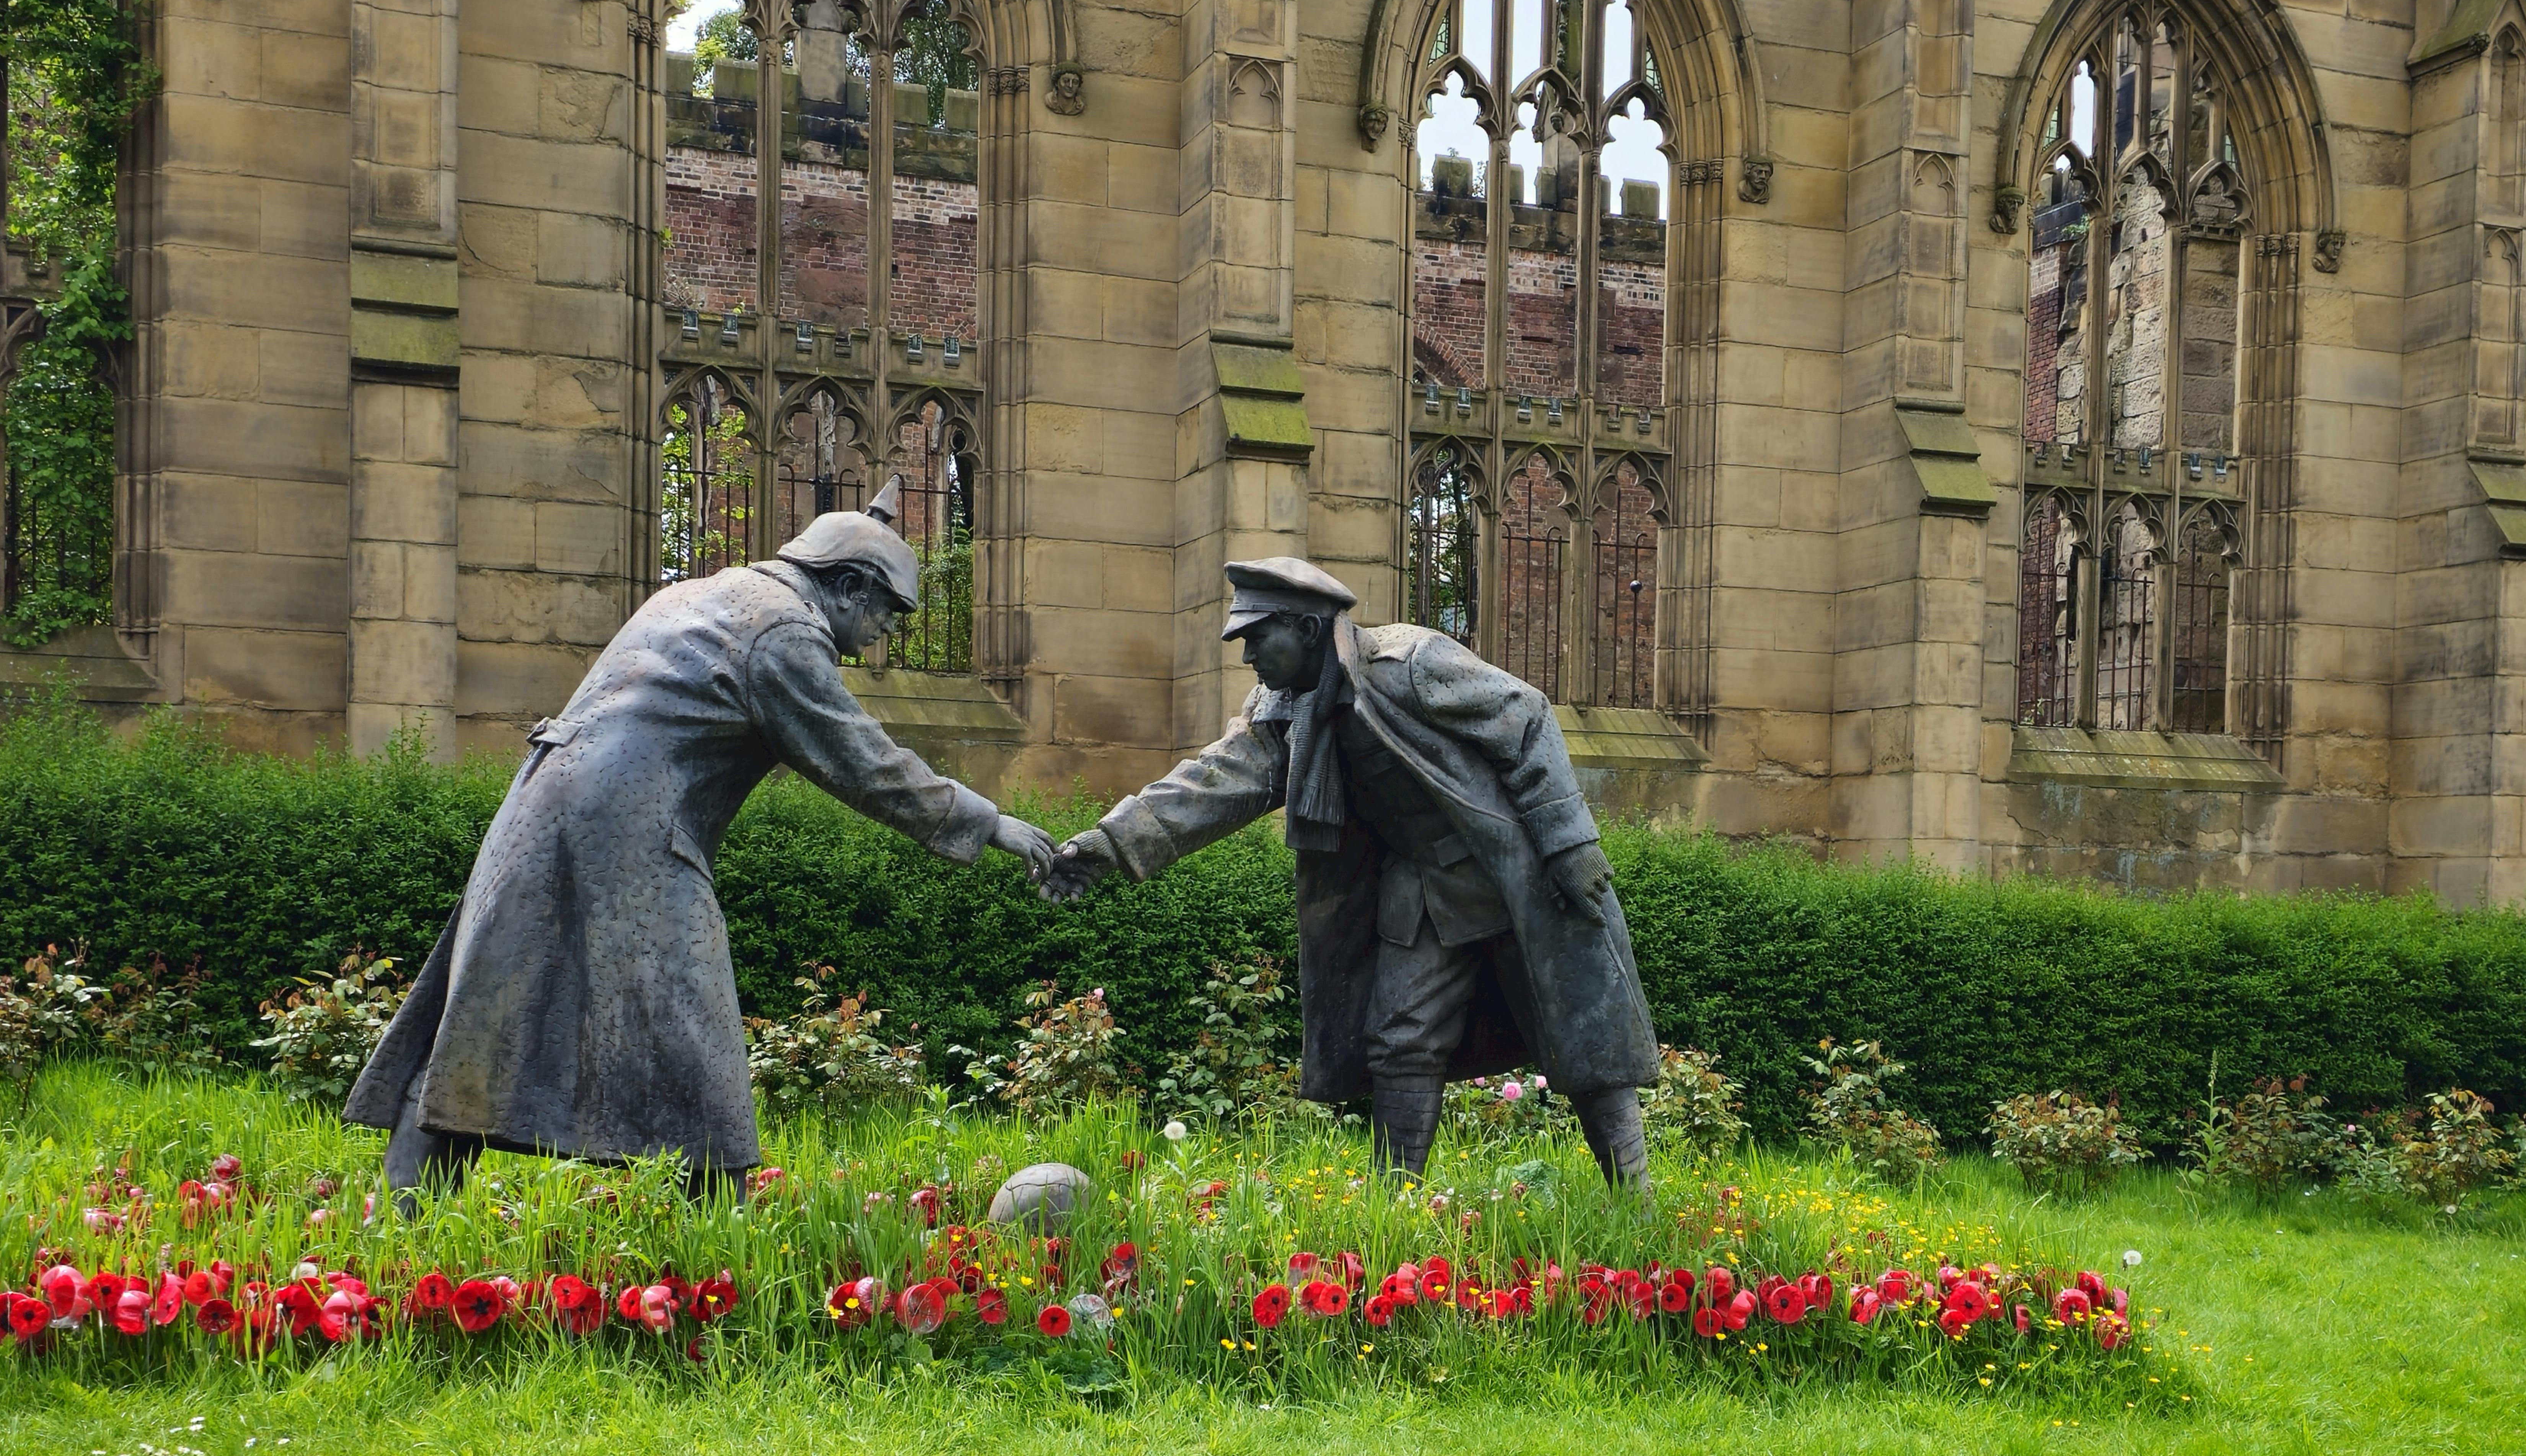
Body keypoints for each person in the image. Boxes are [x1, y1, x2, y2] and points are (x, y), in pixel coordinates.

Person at [346, 481, 1055, 1200]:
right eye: (886, 613)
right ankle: (722, 1235)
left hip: (539, 807)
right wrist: (990, 821)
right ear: (847, 585)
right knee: (694, 1027)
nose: (886, 633)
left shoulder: (699, 594)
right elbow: (863, 762)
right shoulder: (783, 631)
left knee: (484, 1010)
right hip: (631, 832)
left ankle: (402, 1226)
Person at [1039, 557, 1658, 1182]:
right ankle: (1396, 1207)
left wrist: (1570, 843)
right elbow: (1212, 782)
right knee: (1399, 1039)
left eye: (1258, 636)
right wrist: (1107, 843)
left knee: (1582, 1036)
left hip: (1518, 878)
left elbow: (1526, 716)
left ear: (1307, 629)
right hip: (1422, 891)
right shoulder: (1280, 708)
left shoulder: (1410, 662)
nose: (1248, 653)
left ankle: (1636, 1206)